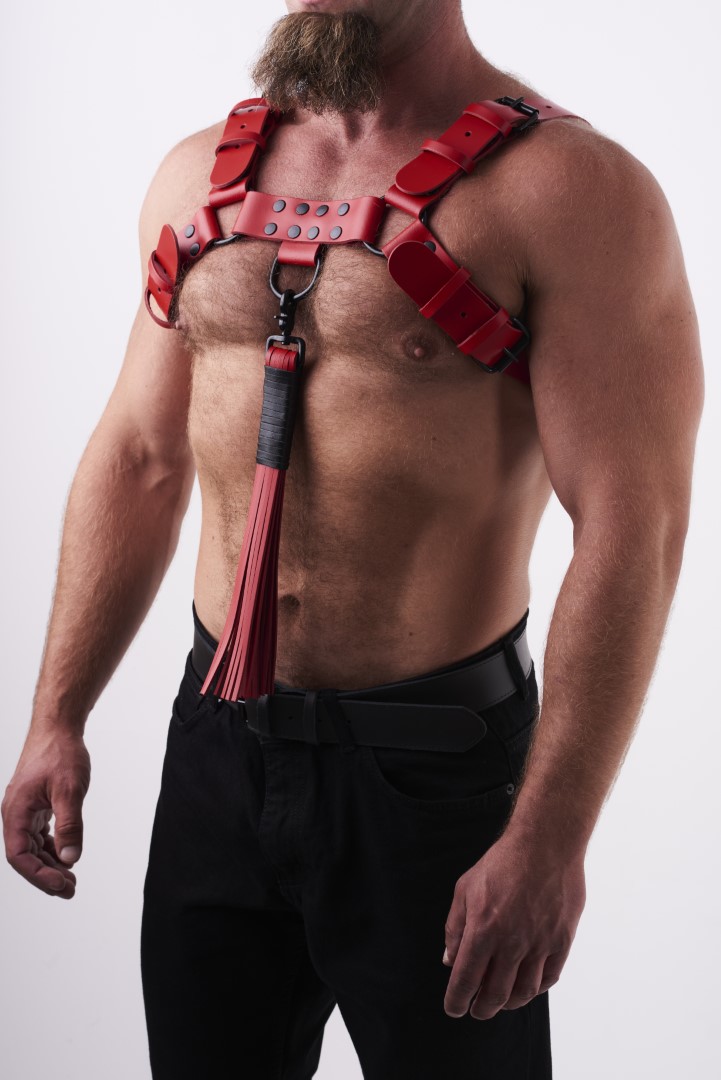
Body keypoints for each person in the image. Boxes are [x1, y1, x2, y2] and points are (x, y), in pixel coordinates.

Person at [1, 2, 704, 1078]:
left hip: (434, 773)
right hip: (218, 746)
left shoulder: (569, 192)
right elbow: (140, 456)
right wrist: (57, 715)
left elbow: (631, 524)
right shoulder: (200, 176)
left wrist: (551, 835)